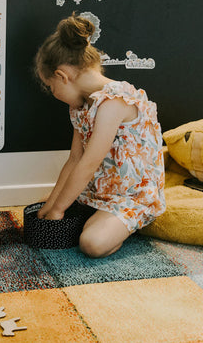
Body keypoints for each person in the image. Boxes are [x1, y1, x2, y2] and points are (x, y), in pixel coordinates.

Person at [34, 13, 165, 258]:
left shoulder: (114, 103)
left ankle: (125, 224)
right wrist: (52, 205)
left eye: (51, 88)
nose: (53, 94)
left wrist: (57, 211)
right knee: (48, 201)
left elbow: (89, 162)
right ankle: (96, 215)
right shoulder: (79, 107)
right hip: (100, 191)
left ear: (63, 76)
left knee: (92, 243)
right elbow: (74, 159)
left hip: (131, 196)